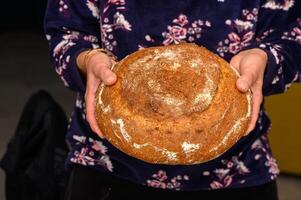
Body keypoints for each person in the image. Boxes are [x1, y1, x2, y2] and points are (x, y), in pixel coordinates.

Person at [44, 0, 301, 199]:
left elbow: (293, 38)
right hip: (107, 168)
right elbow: (66, 33)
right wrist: (87, 60)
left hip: (235, 172)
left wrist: (265, 59)